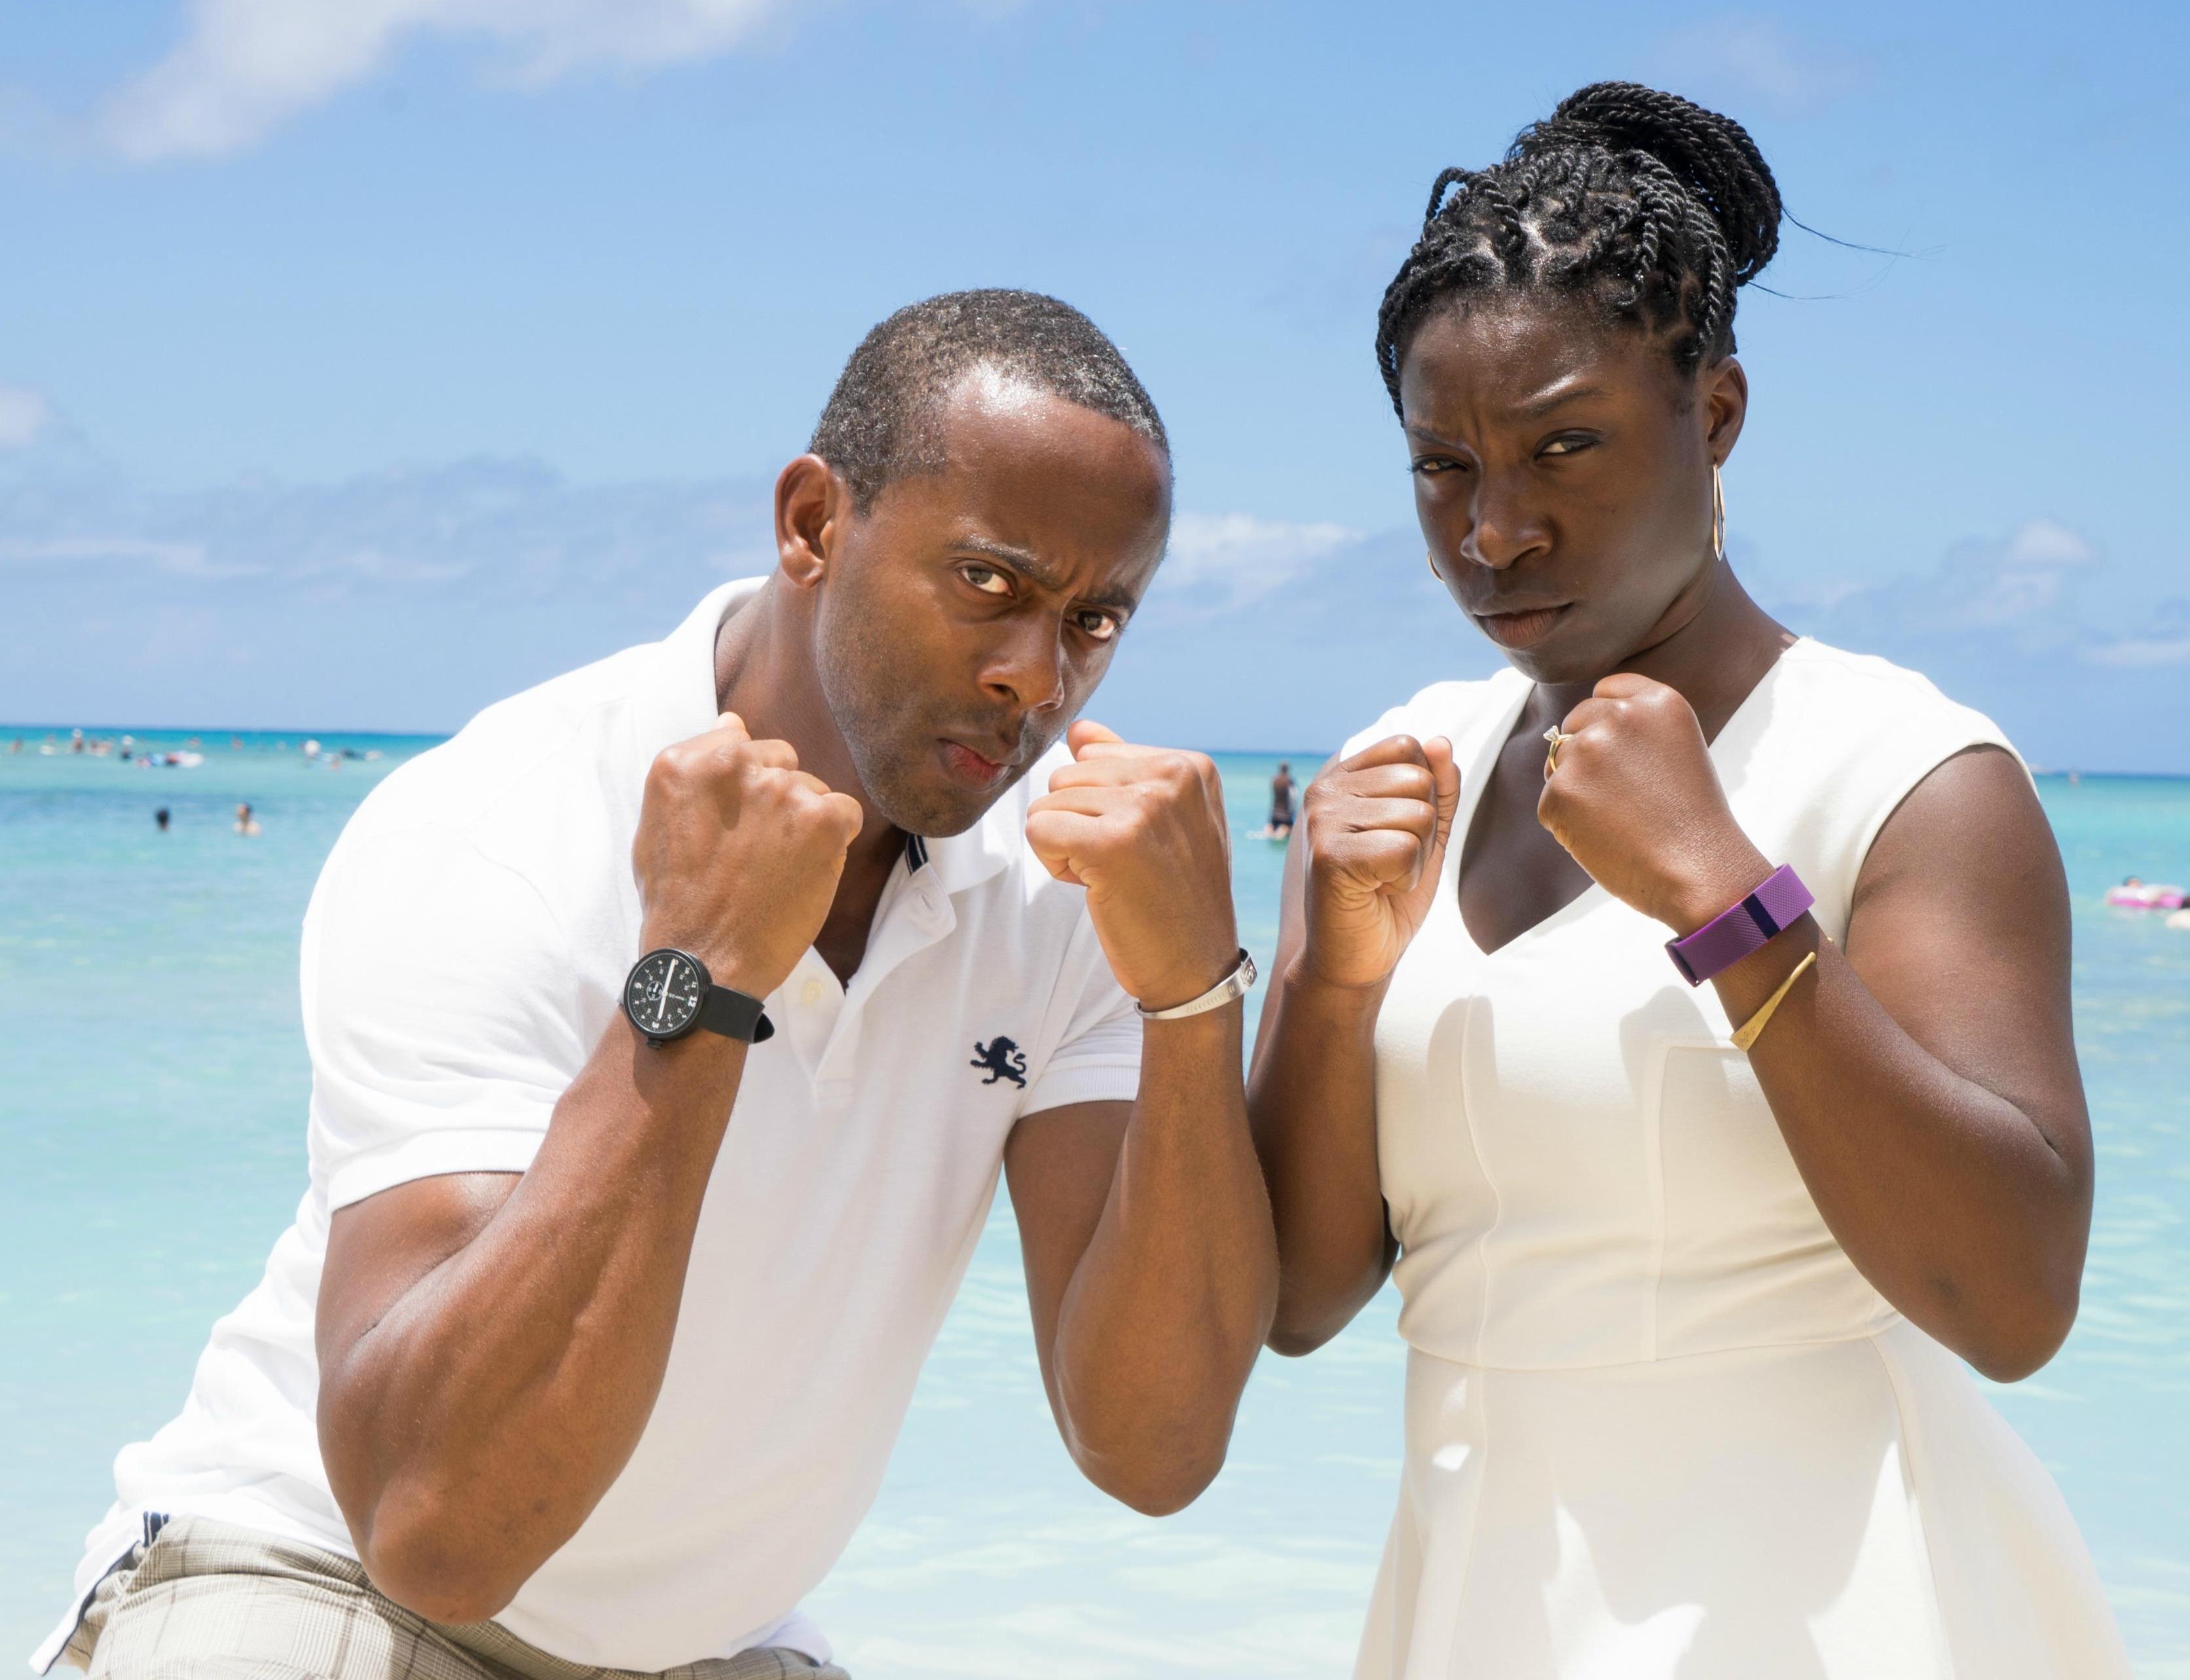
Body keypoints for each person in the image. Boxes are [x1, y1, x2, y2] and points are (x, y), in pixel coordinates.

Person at [42, 291, 1277, 1680]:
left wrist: (1192, 993)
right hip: (320, 1567)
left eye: (1093, 618)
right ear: (812, 523)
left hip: (712, 1645)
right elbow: (434, 1526)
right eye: (988, 581)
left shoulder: (1068, 884)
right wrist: (700, 979)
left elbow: (1152, 1448)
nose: (1034, 678)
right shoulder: (500, 820)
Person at [1247, 86, 2129, 1677]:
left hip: (1837, 1616)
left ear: (1714, 413)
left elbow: (2010, 1302)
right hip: (1478, 1611)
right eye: (1441, 464)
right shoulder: (1404, 770)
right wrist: (1325, 980)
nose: (1493, 529)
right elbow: (1301, 1299)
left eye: (1562, 445)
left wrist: (1728, 899)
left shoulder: (1906, 772)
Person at [1266, 761, 1297, 840]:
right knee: (1292, 831)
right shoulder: (1289, 781)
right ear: (1287, 769)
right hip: (1286, 815)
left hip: (1275, 813)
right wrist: (1293, 811)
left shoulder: (1275, 780)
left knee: (1271, 831)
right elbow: (1293, 798)